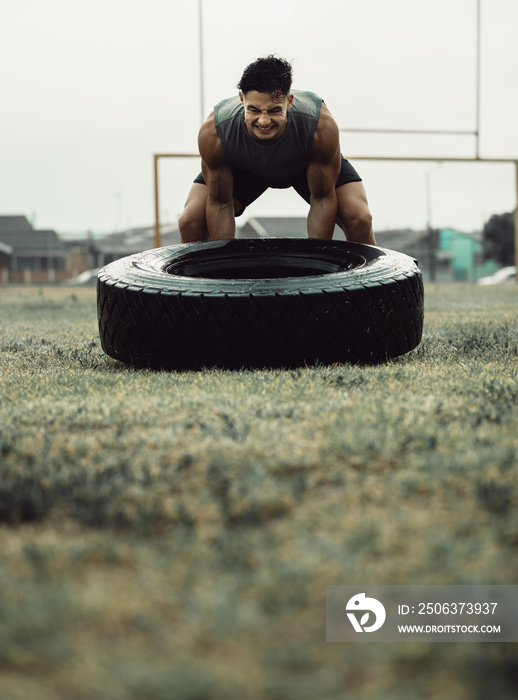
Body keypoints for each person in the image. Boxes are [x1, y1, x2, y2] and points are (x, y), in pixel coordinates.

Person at [179, 55, 375, 245]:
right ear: (241, 100)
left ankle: (371, 279)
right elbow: (220, 203)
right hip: (244, 169)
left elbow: (322, 198)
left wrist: (318, 270)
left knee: (360, 218)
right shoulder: (216, 132)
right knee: (190, 221)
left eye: (274, 110)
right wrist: (221, 271)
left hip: (304, 165)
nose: (264, 121)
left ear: (289, 101)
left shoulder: (319, 126)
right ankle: (205, 278)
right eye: (254, 110)